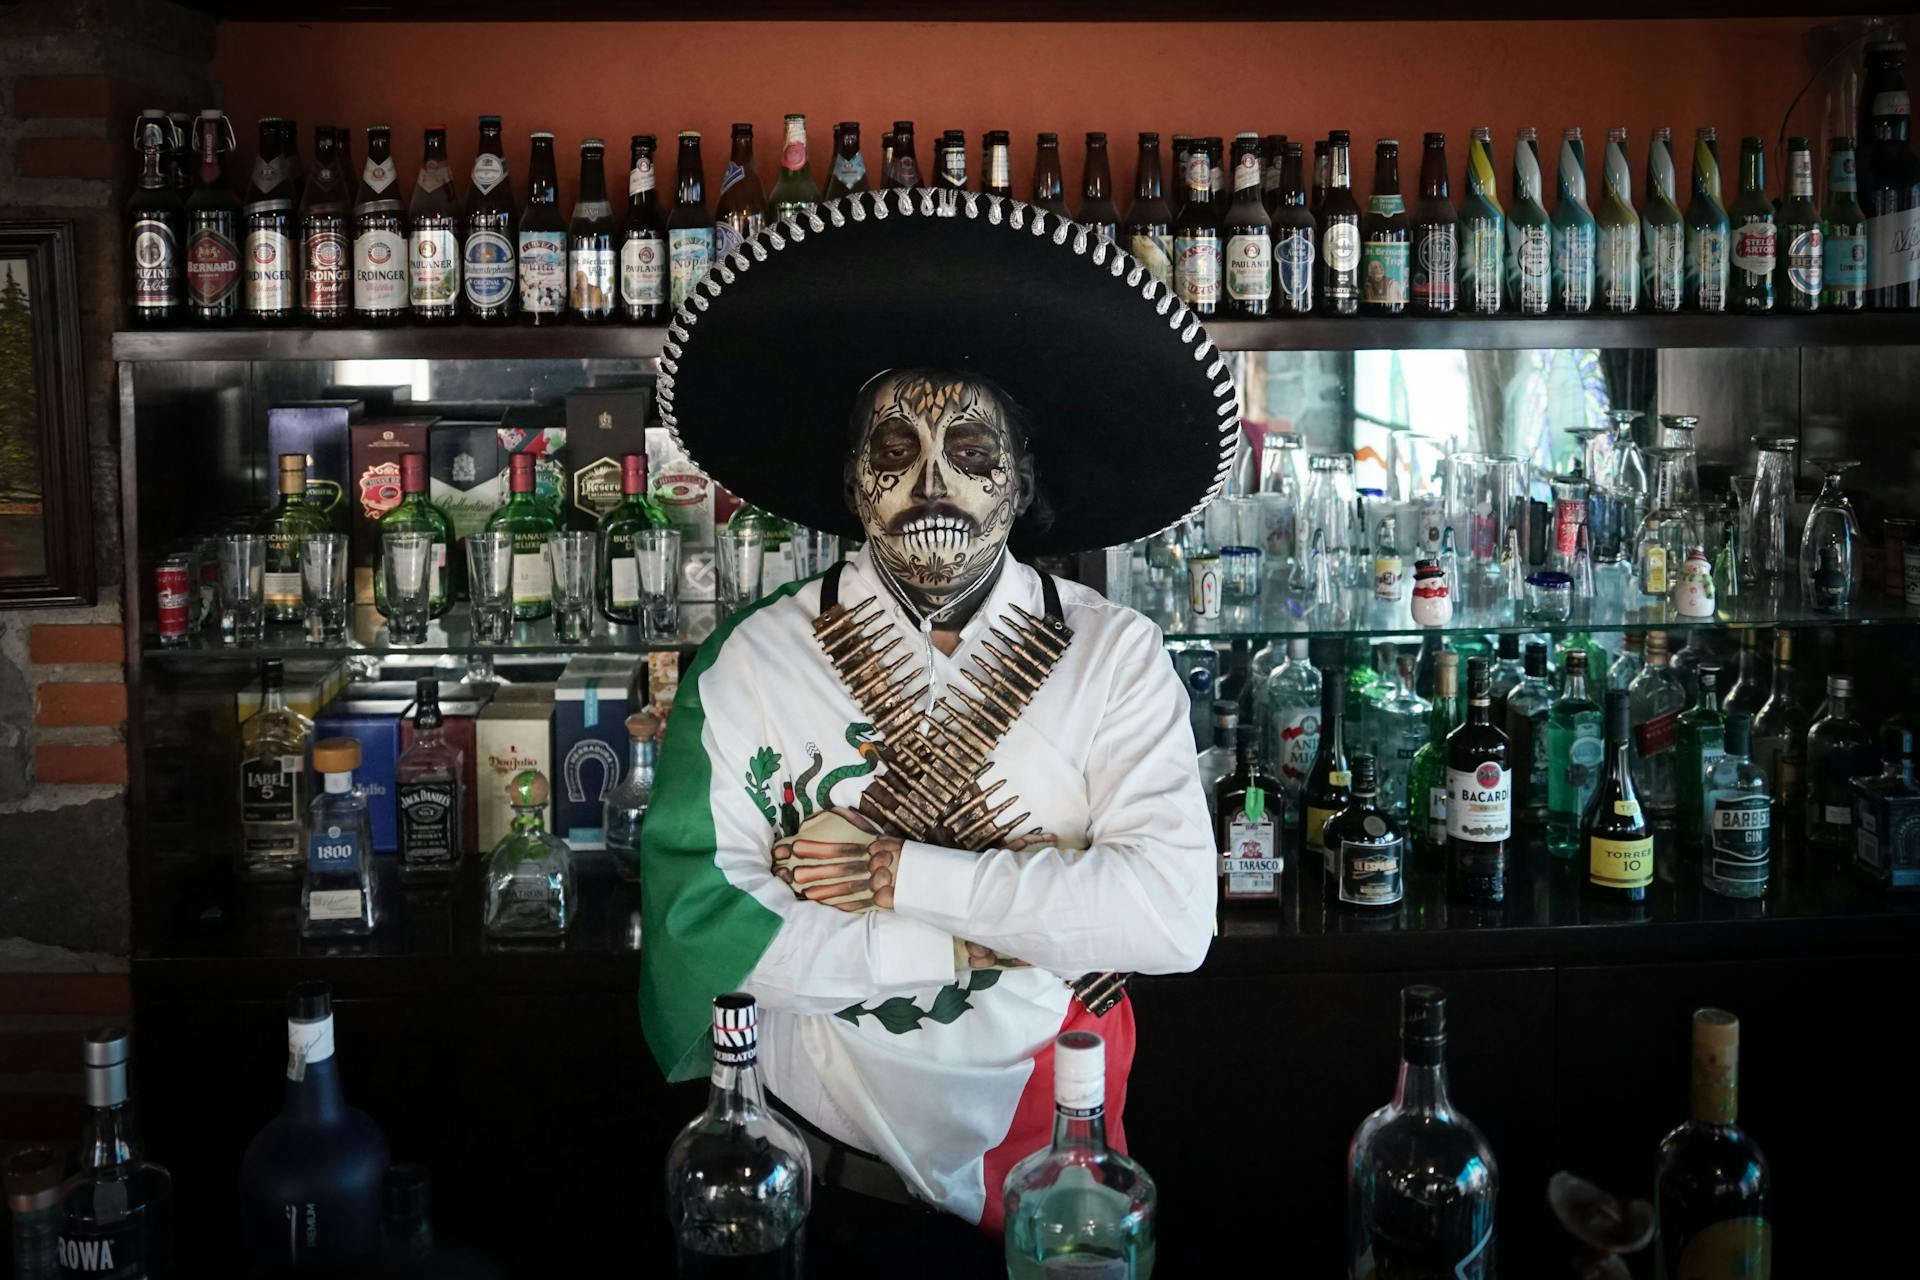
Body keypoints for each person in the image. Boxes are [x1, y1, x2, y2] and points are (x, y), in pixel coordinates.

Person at [638, 187, 1242, 1273]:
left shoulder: (1114, 654)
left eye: (971, 447)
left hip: (1053, 1172)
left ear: (1023, 479)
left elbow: (1167, 916)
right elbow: (710, 936)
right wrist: (1010, 924)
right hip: (821, 1182)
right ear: (847, 477)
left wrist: (889, 872)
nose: (932, 483)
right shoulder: (751, 663)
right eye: (894, 447)